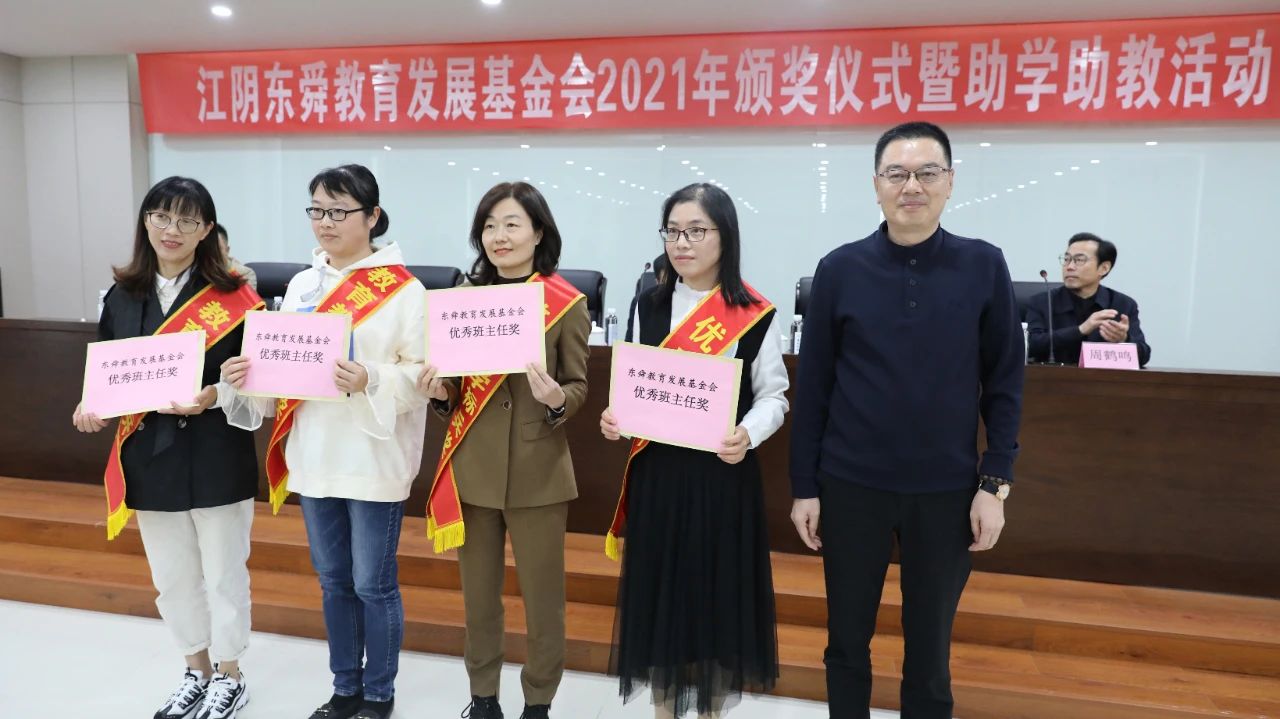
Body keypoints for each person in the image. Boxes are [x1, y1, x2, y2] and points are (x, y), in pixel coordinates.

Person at [788, 122, 1024, 719]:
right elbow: (813, 389)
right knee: (846, 644)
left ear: (950, 182)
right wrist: (804, 487)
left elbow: (1004, 385)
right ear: (876, 185)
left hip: (946, 491)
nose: (911, 186)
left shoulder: (984, 265)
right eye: (896, 173)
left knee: (929, 654)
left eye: (926, 173)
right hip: (850, 486)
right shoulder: (839, 269)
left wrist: (995, 483)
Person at [218, 164, 427, 719]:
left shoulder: (406, 291)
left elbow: (423, 377)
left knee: (373, 584)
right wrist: (248, 375)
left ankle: (378, 694)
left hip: (374, 456)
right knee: (334, 581)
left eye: (339, 211)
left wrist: (371, 377)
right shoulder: (301, 286)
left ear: (372, 216)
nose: (325, 222)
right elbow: (284, 369)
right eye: (317, 210)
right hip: (314, 453)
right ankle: (344, 687)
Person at [72, 176, 263, 719]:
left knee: (224, 574)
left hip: (218, 451)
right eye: (161, 216)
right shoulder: (121, 296)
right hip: (149, 456)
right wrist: (90, 404)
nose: (171, 229)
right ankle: (195, 669)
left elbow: (261, 387)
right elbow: (106, 374)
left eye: (186, 220)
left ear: (206, 230)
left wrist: (216, 394)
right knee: (172, 577)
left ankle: (230, 675)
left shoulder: (238, 298)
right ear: (146, 222)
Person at [600, 183, 788, 718]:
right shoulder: (649, 303)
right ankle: (664, 710)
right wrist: (617, 416)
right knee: (660, 597)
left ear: (725, 237)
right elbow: (637, 383)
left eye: (696, 231)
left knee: (714, 600)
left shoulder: (754, 311)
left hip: (722, 478)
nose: (681, 243)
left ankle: (709, 712)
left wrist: (747, 433)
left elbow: (774, 396)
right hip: (659, 475)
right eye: (673, 231)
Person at [416, 181, 589, 719]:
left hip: (539, 472)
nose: (499, 236)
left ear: (538, 233)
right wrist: (439, 392)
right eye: (489, 226)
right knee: (479, 599)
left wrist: (557, 399)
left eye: (512, 224)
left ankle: (538, 702)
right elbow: (455, 387)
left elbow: (579, 386)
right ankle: (483, 697)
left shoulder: (565, 303)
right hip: (474, 470)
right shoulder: (460, 301)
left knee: (543, 601)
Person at [1025, 232, 1151, 367]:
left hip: (1102, 379)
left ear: (1104, 268)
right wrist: (1081, 330)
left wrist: (1124, 339)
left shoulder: (1122, 304)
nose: (1069, 266)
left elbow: (1144, 355)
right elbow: (1029, 346)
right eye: (1066, 259)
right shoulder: (1042, 302)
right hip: (1052, 378)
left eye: (1079, 260)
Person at [214, 223, 258, 291]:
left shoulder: (243, 274)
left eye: (217, 249)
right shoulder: (198, 272)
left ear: (227, 250)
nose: (211, 254)